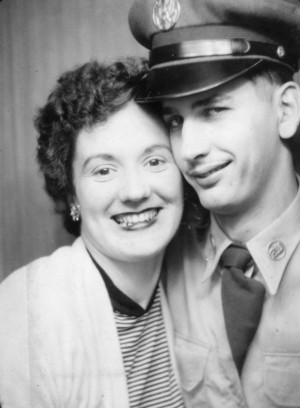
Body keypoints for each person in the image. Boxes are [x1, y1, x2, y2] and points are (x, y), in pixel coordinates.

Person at [129, 1, 300, 407]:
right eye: (175, 120)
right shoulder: (157, 257)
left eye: (214, 110)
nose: (188, 149)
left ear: (287, 109)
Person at [0, 58, 187, 408]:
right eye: (103, 170)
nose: (135, 191)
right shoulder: (23, 314)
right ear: (72, 194)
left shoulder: (201, 279)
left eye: (155, 161)